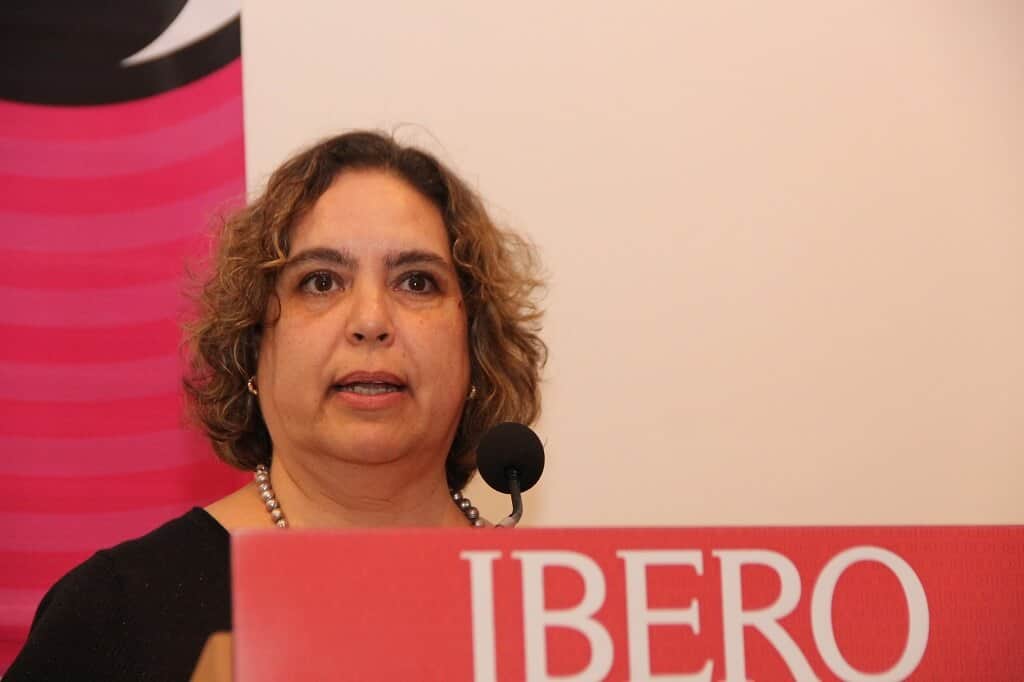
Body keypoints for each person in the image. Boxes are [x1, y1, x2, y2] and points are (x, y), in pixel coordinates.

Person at [5, 131, 547, 680]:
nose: (371, 321)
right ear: (252, 345)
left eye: (416, 281)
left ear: (475, 344)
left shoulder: (556, 613)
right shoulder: (115, 614)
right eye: (320, 282)